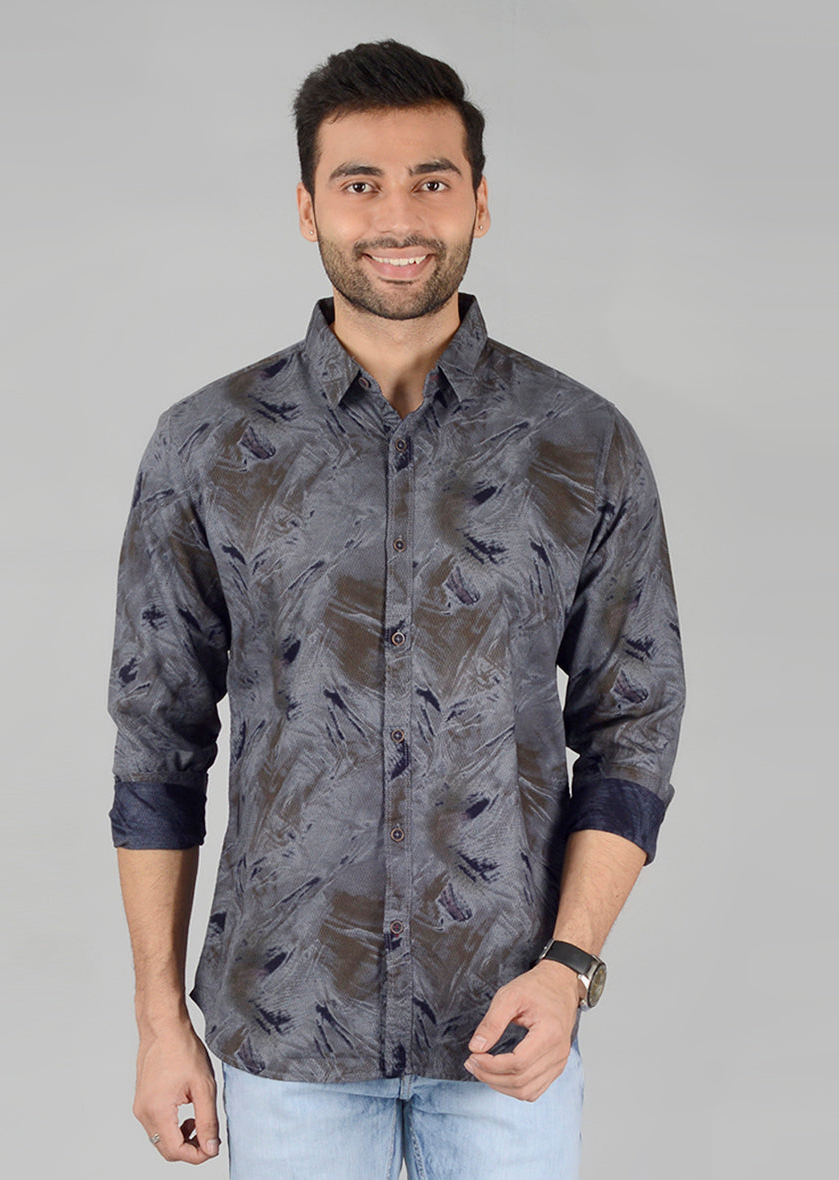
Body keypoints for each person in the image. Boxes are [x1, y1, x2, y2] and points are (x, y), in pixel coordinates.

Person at [109, 39, 684, 1180]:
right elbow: (155, 741)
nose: (397, 218)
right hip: (286, 1029)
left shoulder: (581, 443)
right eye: (359, 183)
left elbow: (635, 722)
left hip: (508, 1023)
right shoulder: (207, 445)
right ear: (307, 207)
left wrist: (567, 967)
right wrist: (160, 1021)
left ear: (480, 200)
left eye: (430, 180)